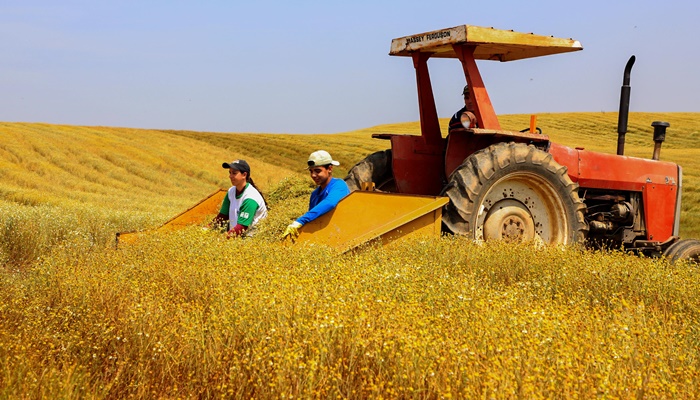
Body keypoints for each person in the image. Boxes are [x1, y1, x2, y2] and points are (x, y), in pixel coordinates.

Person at [281, 150, 350, 240]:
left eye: (317, 171)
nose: (313, 175)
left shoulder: (339, 185)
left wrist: (300, 221)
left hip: (342, 235)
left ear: (329, 169)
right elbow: (313, 220)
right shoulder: (314, 194)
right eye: (311, 171)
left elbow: (330, 203)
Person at [211, 159, 268, 237]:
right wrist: (207, 229)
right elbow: (222, 217)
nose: (230, 176)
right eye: (230, 173)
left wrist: (222, 239)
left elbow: (241, 228)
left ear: (244, 175)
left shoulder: (251, 198)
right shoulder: (231, 191)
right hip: (235, 238)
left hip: (251, 240)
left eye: (234, 173)